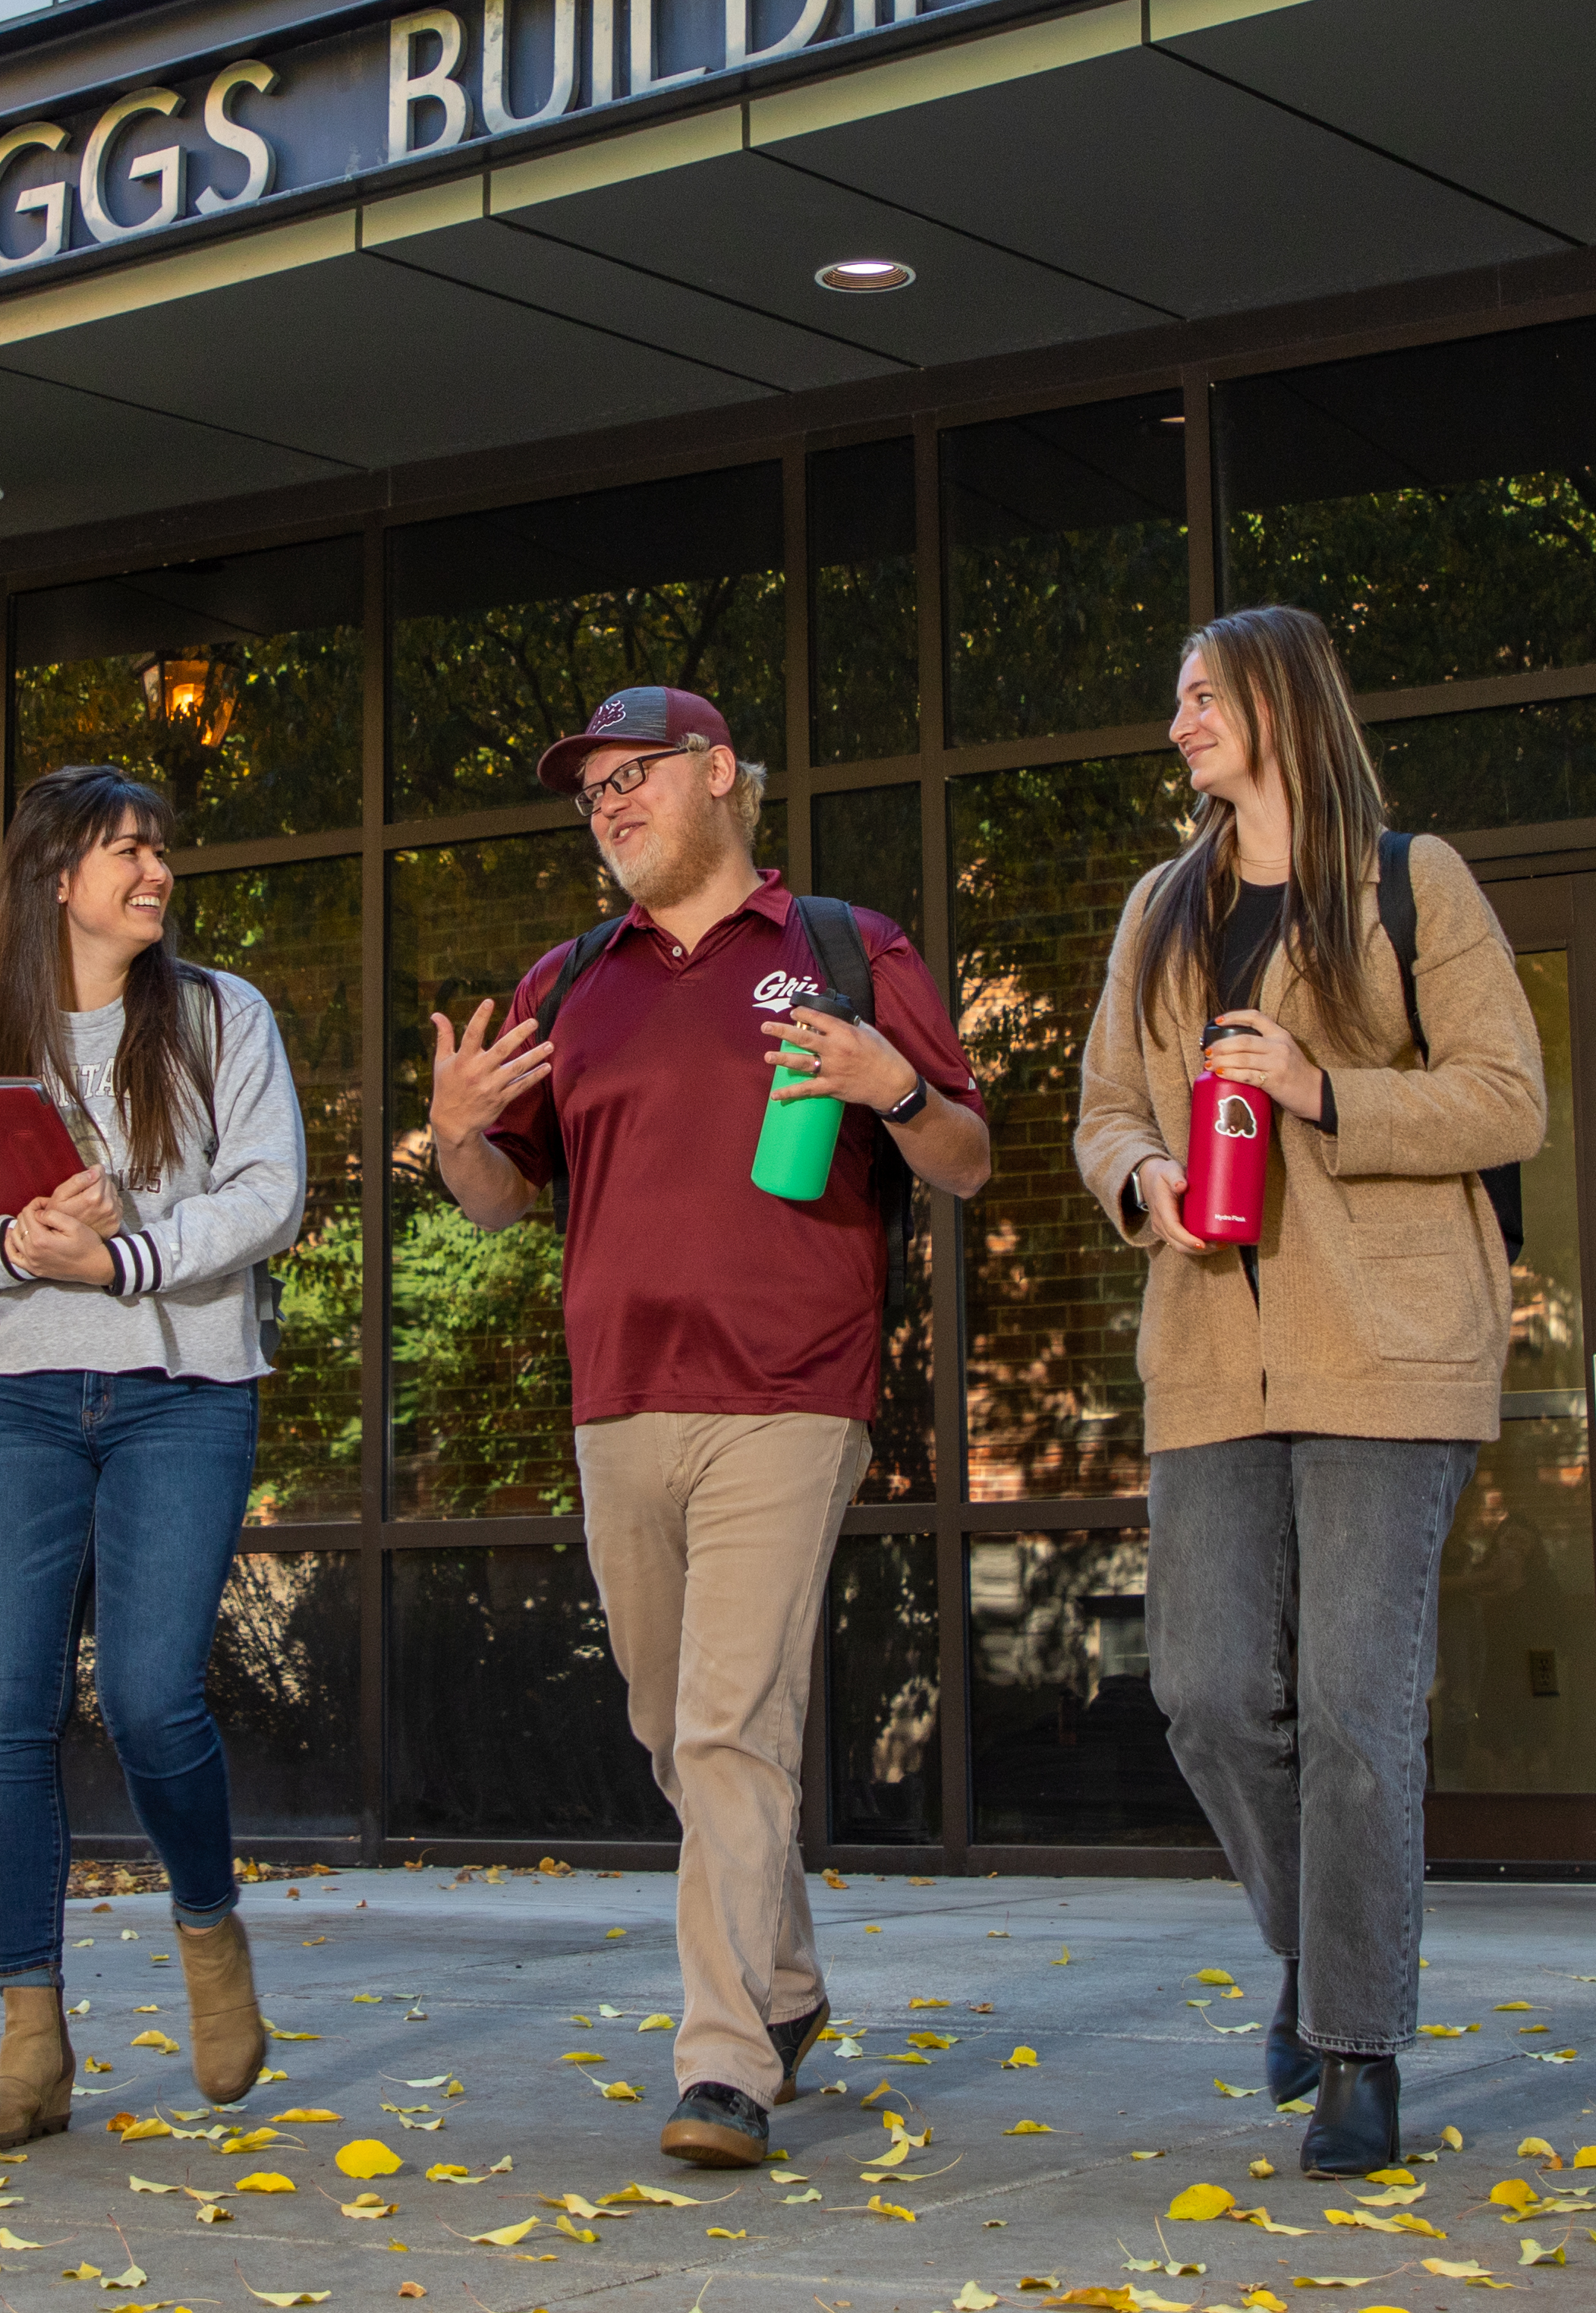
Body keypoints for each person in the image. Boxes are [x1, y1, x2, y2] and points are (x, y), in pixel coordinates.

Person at [421, 684, 990, 2171]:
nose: (607, 803)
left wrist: (893, 1083)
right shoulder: (571, 980)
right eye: (591, 789)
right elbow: (501, 1198)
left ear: (722, 772)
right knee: (675, 1728)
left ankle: (726, 2064)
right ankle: (785, 1984)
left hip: (789, 1393)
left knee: (732, 1724)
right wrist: (456, 1135)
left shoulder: (844, 948)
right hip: (618, 1399)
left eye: (635, 774)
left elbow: (966, 1157)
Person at [1070, 606, 1544, 2181]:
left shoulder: (1413, 882)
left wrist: (1318, 1089)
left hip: (1392, 1350)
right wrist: (1143, 1178)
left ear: (1282, 700)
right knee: (1207, 1693)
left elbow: (1508, 1098)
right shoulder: (1160, 908)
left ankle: (1357, 2049)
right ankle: (1317, 1948)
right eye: (1178, 698)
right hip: (1210, 1350)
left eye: (1204, 693)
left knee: (1353, 1703)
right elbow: (1103, 1107)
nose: (1180, 722)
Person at [0, 764, 307, 2153]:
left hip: (185, 1391)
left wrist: (127, 1253)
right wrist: (14, 1243)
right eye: (129, 850)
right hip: (23, 1397)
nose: (157, 871)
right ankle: (31, 2043)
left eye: (161, 849)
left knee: (150, 1697)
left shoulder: (224, 1015)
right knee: (9, 1713)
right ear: (58, 876)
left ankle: (207, 1925)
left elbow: (271, 1193)